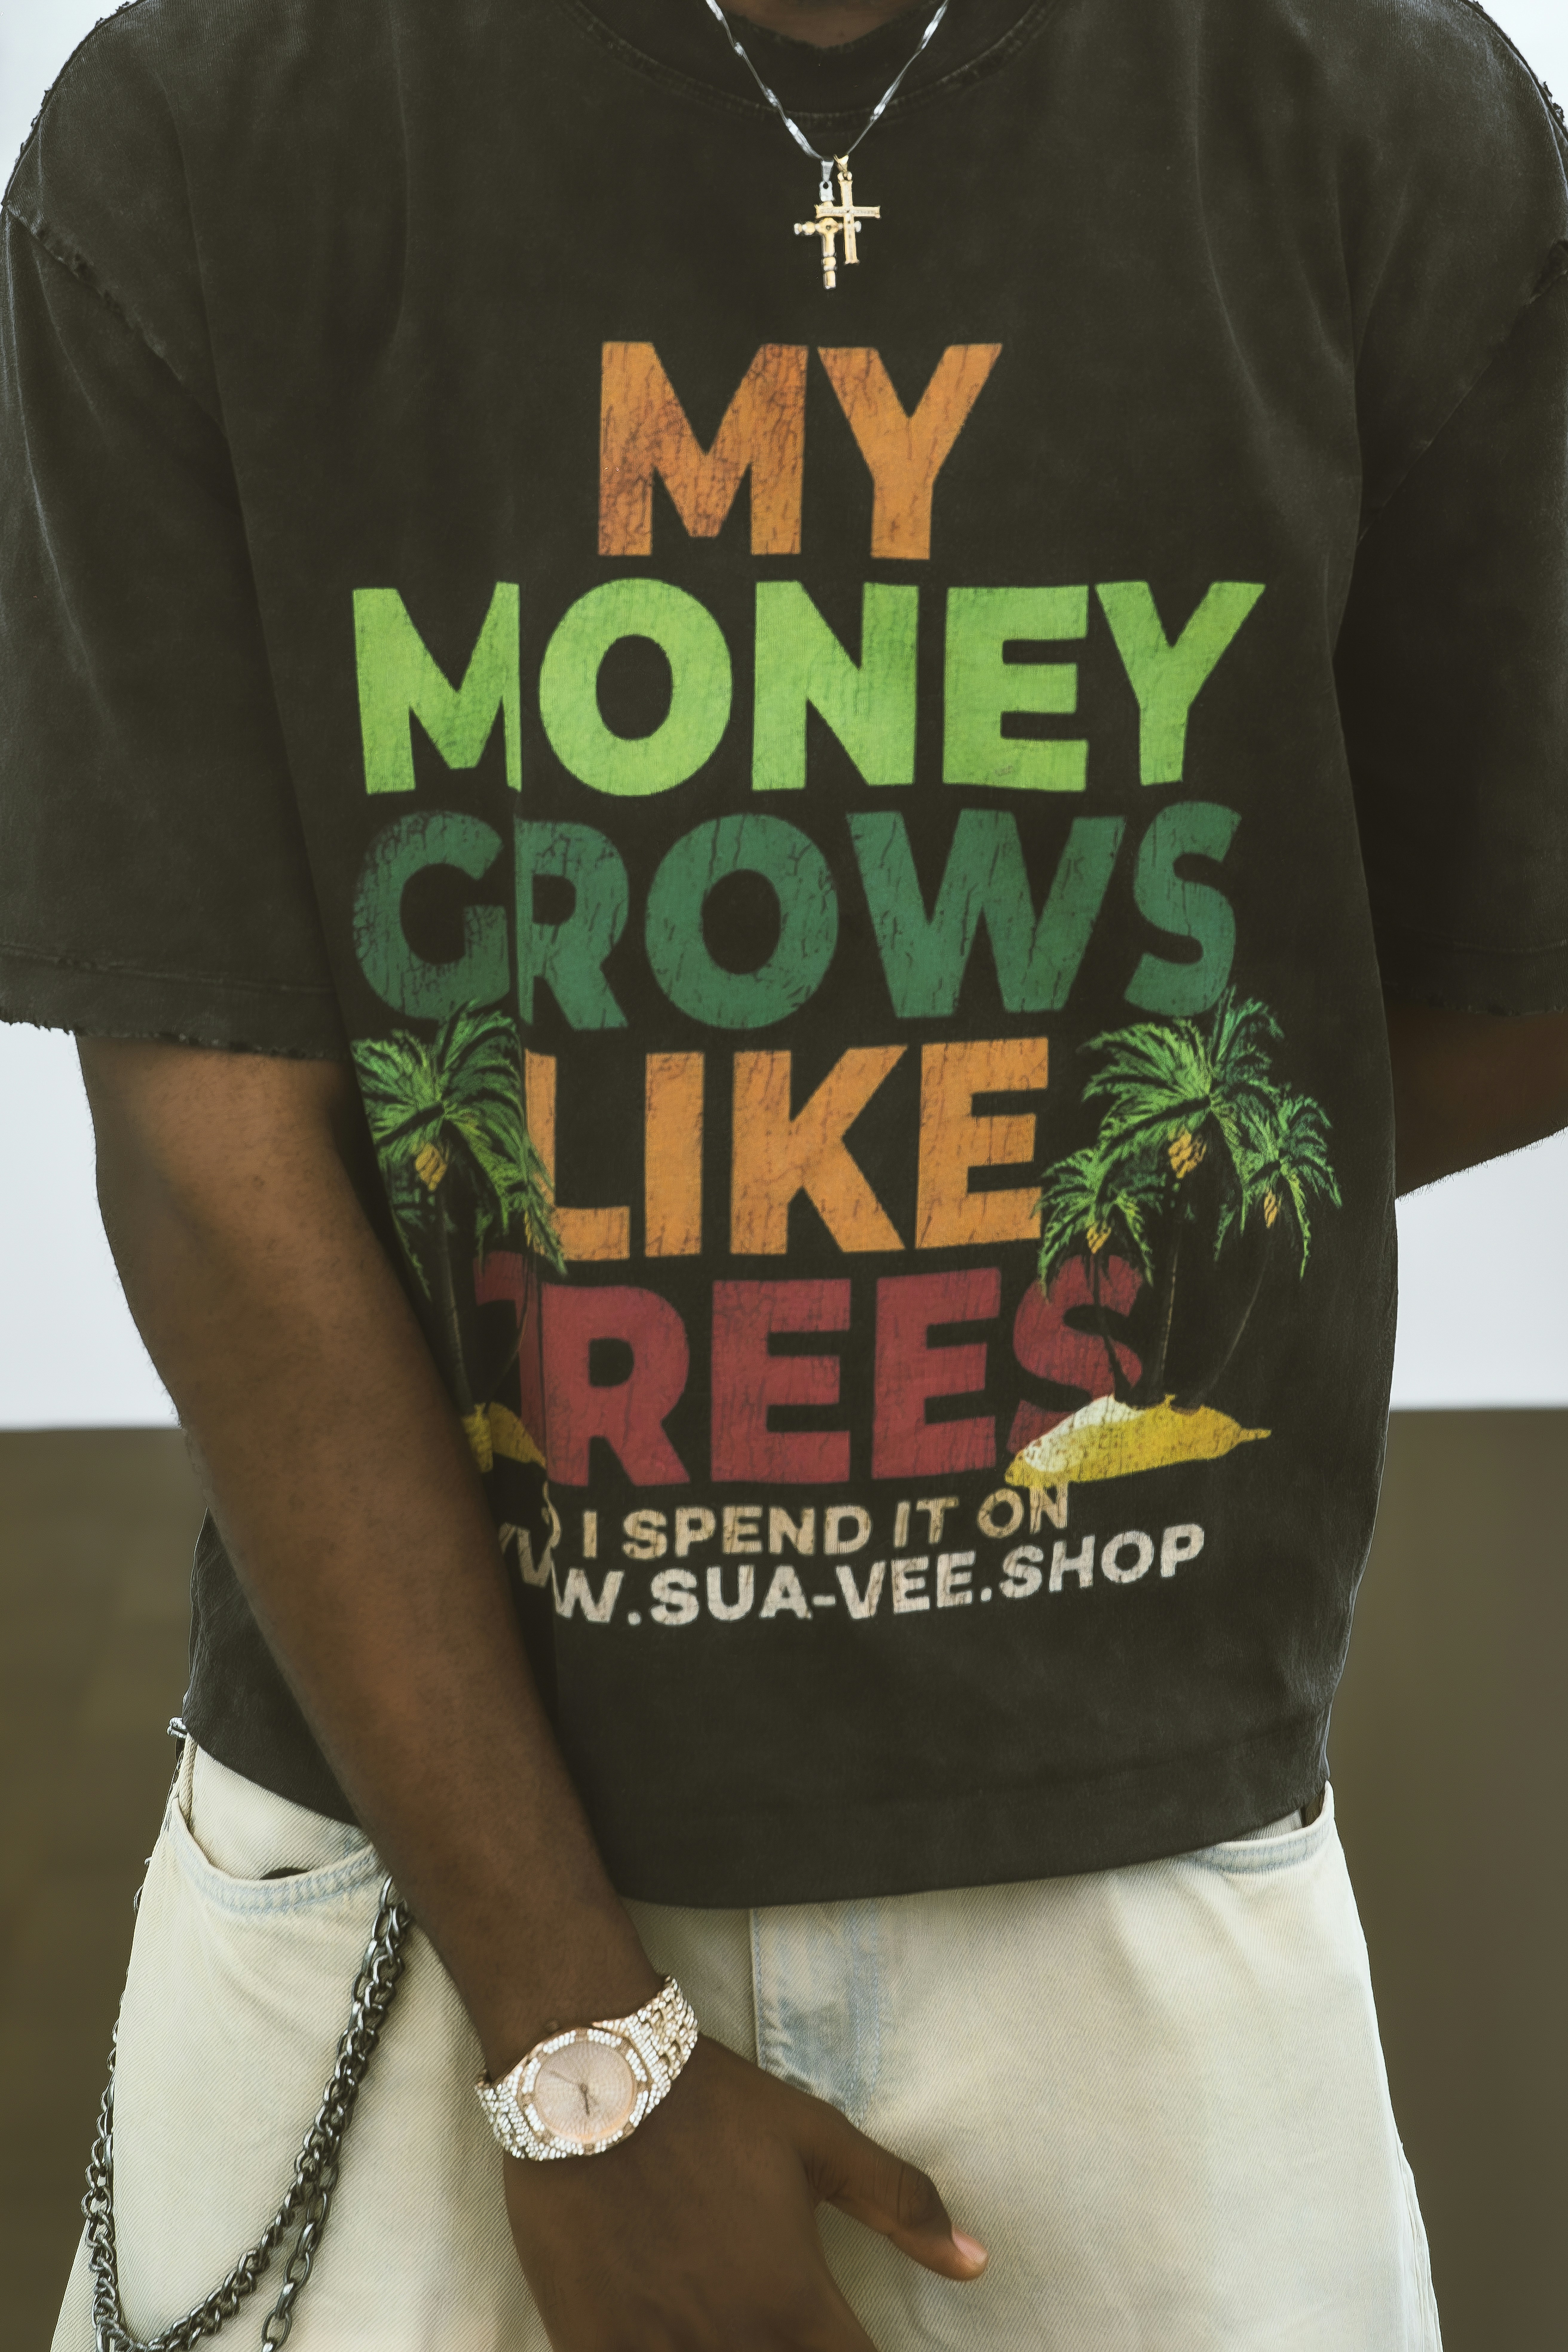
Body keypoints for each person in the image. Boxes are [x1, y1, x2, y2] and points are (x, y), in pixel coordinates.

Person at [4, 0, 1568, 2340]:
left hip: (1132, 1863)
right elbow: (209, 1137)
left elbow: (1497, 976)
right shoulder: (224, 120)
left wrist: (961, 1186)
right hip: (404, 1871)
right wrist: (576, 2043)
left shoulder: (1366, 114)